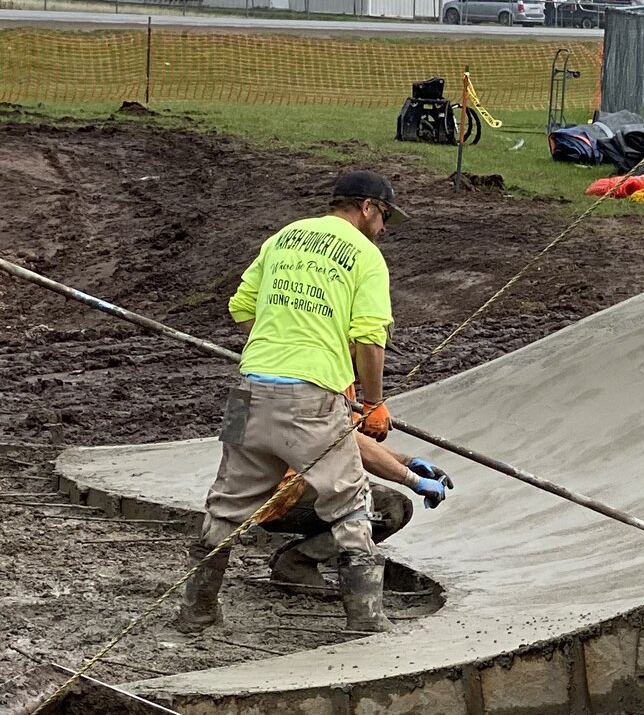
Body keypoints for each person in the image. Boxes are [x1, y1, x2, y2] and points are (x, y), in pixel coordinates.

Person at [176, 170, 407, 637]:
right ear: (366, 208)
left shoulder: (284, 238)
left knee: (226, 504)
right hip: (311, 395)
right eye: (383, 216)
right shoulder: (365, 256)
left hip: (247, 390)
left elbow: (241, 308)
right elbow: (369, 338)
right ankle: (366, 620)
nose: (383, 228)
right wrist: (373, 402)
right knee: (351, 504)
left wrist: (277, 342)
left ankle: (196, 612)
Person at [260, 434, 453, 593]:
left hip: (248, 492)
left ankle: (293, 556)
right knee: (389, 509)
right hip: (284, 495)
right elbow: (350, 441)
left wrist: (406, 461)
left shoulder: (255, 389)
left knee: (380, 503)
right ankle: (297, 562)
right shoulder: (317, 390)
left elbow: (353, 433)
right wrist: (412, 479)